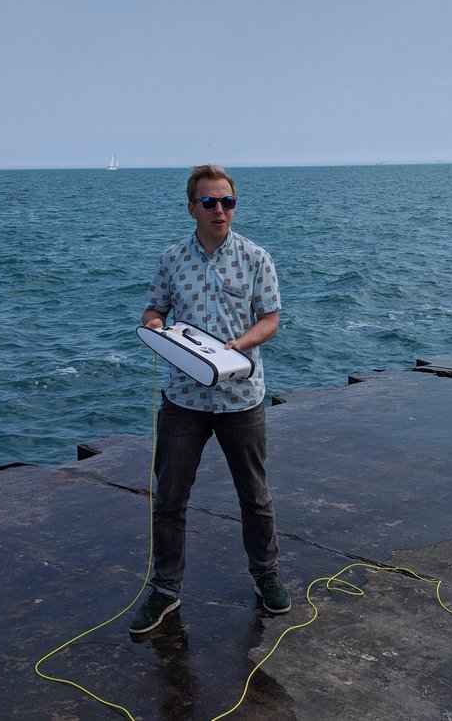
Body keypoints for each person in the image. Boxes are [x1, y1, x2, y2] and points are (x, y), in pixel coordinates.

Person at [129, 164, 288, 635]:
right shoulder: (172, 258)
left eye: (228, 202)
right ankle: (164, 590)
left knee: (255, 496)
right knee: (169, 499)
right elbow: (155, 307)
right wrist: (155, 325)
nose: (220, 210)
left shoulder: (257, 258)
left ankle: (266, 577)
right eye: (210, 202)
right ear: (192, 207)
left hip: (242, 397)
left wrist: (237, 346)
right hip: (182, 399)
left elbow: (271, 320)